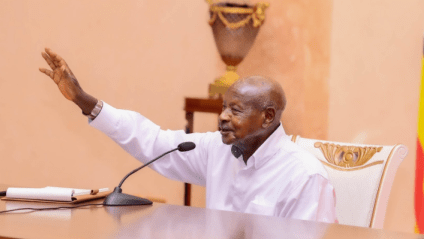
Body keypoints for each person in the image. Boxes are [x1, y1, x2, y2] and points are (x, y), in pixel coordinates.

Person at [39, 48, 337, 223]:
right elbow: (150, 140)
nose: (222, 117)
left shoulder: (305, 178)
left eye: (235, 110)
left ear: (267, 117)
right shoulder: (217, 149)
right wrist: (82, 99)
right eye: (223, 108)